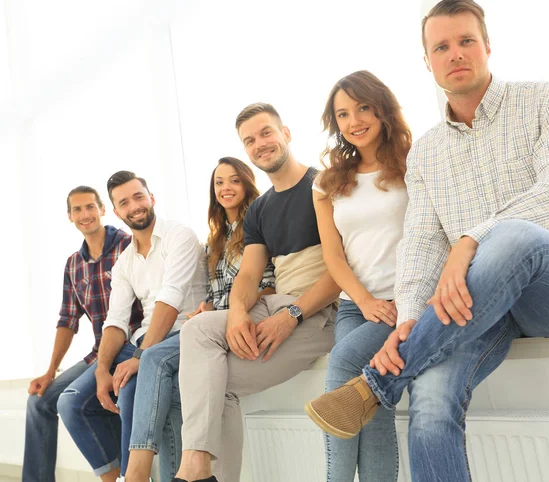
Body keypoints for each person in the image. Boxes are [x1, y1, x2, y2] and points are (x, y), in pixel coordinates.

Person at [305, 1, 549, 481]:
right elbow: (419, 243)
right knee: (432, 400)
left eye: (466, 41)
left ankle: (376, 383)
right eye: (441, 46)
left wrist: (470, 240)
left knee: (513, 236)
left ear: (487, 45)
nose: (455, 53)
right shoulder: (426, 153)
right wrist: (407, 320)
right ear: (427, 61)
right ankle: (398, 373)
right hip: (482, 305)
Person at [172, 103, 340, 482]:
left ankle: (192, 467)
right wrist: (236, 313)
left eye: (266, 133)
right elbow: (248, 275)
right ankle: (206, 473)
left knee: (196, 332)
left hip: (320, 312)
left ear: (286, 133)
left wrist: (292, 314)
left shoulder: (325, 185)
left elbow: (344, 270)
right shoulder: (259, 210)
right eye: (250, 140)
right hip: (278, 306)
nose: (260, 144)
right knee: (216, 387)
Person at [124, 157, 275, 482]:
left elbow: (269, 287)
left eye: (234, 180)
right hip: (214, 325)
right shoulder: (216, 239)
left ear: (247, 183)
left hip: (244, 322)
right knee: (162, 389)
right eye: (219, 182)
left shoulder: (260, 224)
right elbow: (215, 292)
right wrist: (208, 308)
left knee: (154, 358)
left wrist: (229, 312)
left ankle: (135, 473)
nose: (226, 188)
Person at [57, 171, 207, 482]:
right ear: (116, 211)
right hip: (143, 338)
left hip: (185, 329)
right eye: (124, 202)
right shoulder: (124, 261)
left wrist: (139, 356)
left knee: (128, 387)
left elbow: (171, 300)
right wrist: (102, 368)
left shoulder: (179, 235)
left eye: (139, 197)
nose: (134, 206)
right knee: (71, 401)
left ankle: (133, 476)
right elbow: (115, 320)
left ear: (151, 198)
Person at [312, 70, 411, 481]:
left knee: (342, 374)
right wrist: (366, 302)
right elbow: (334, 258)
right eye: (343, 114)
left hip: (405, 302)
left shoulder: (414, 162)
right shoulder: (327, 183)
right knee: (374, 412)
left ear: (381, 108)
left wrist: (392, 303)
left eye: (363, 108)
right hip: (357, 308)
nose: (354, 121)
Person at [23, 186, 142, 482]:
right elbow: (68, 320)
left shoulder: (130, 244)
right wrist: (50, 371)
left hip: (131, 345)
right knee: (38, 401)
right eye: (77, 210)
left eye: (90, 207)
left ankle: (116, 477)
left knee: (74, 402)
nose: (84, 214)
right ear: (70, 216)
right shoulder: (73, 264)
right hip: (99, 352)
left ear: (103, 209)